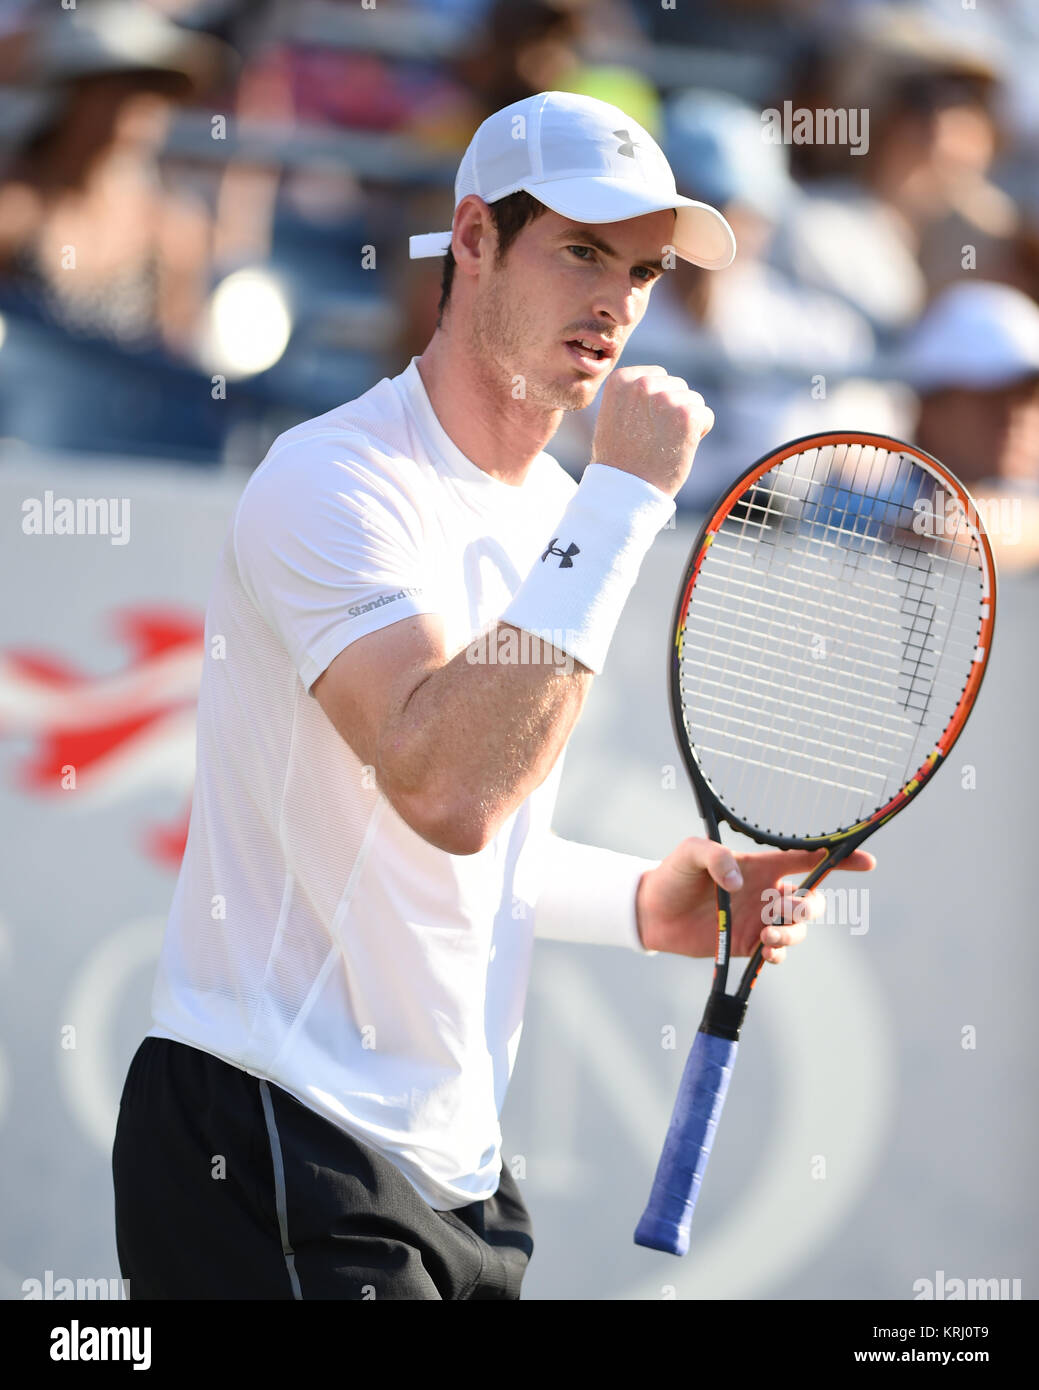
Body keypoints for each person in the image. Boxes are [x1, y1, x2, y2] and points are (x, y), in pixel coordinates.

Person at [111, 91, 875, 1301]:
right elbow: (447, 788)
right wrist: (622, 500)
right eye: (581, 250)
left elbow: (469, 847)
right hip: (267, 1137)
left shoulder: (553, 521)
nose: (618, 301)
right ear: (470, 239)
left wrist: (643, 901)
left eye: (641, 268)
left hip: (454, 1180)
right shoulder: (333, 478)